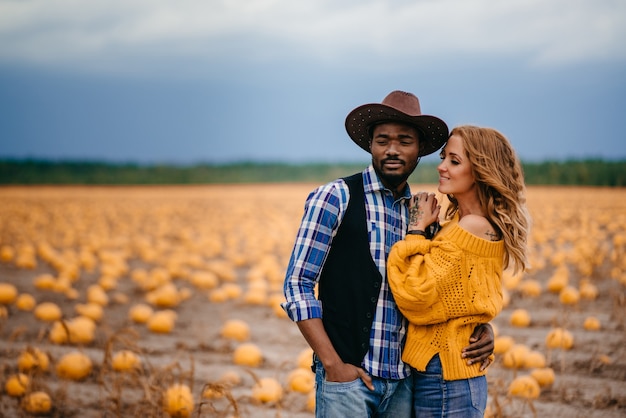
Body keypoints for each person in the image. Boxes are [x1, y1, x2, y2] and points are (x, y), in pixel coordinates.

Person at [282, 91, 496, 418]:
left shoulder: (422, 215)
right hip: (349, 383)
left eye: (405, 141)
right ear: (370, 145)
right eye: (383, 140)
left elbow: (439, 295)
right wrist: (333, 365)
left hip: (405, 383)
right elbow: (297, 285)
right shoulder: (336, 197)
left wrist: (481, 327)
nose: (393, 149)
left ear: (419, 151)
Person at [387, 125, 530, 417]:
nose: (441, 167)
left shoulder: (471, 227)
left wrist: (415, 230)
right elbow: (467, 300)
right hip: (449, 373)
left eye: (454, 161)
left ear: (479, 170)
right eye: (443, 158)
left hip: (445, 377)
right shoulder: (465, 226)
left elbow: (416, 294)